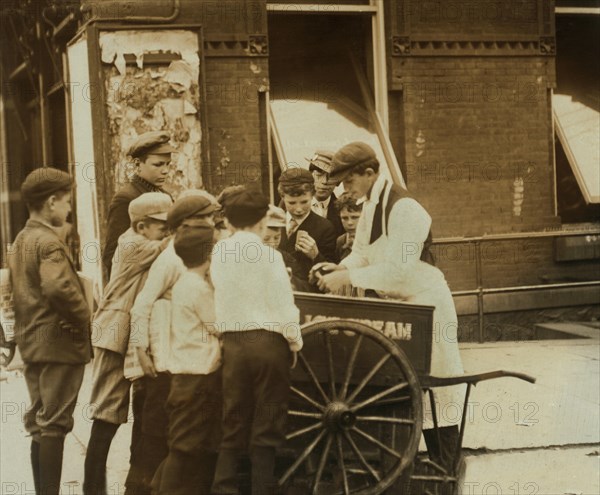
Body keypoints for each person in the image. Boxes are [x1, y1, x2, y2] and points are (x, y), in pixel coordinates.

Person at [314, 142, 464, 472]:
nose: (343, 188)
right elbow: (363, 253)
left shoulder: (406, 210)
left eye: (348, 180)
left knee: (438, 392)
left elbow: (400, 271)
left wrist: (349, 276)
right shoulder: (371, 204)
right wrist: (337, 268)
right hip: (400, 307)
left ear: (369, 172)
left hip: (427, 305)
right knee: (410, 389)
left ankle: (448, 471)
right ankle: (420, 468)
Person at [210, 187, 303, 495]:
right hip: (268, 344)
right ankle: (262, 487)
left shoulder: (220, 253)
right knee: (267, 419)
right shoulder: (270, 257)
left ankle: (224, 487)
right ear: (263, 221)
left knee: (233, 418)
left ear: (229, 223)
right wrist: (294, 342)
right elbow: (283, 303)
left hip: (234, 345)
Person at [126, 192, 219, 492]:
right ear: (183, 223)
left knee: (181, 437)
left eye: (210, 218)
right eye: (202, 219)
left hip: (186, 355)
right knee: (157, 433)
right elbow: (142, 303)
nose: (209, 224)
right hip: (167, 359)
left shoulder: (197, 251)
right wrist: (141, 350)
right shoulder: (172, 258)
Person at [8, 168, 92, 495]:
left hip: (32, 343)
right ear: (51, 202)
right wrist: (83, 317)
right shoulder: (48, 242)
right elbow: (58, 288)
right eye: (67, 202)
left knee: (40, 424)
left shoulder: (21, 239)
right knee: (54, 424)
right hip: (58, 345)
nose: (69, 210)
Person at [84, 192, 172, 495]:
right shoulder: (133, 244)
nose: (167, 230)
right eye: (162, 225)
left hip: (122, 333)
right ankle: (92, 489)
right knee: (106, 415)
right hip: (113, 334)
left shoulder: (143, 240)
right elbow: (170, 246)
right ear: (141, 225)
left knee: (132, 409)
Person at [153, 222, 222, 495]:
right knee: (185, 446)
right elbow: (218, 325)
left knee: (190, 444)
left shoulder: (187, 283)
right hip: (196, 377)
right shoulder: (198, 289)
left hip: (188, 374)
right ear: (209, 254)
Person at [102, 130, 176, 280]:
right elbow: (111, 255)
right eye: (158, 165)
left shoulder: (165, 196)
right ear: (138, 164)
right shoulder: (126, 198)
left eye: (168, 164)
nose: (165, 171)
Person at [278, 168, 338, 283]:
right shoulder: (274, 221)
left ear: (312, 196)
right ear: (282, 197)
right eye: (292, 203)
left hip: (306, 294)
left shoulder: (325, 228)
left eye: (304, 202)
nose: (299, 209)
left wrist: (316, 255)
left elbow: (331, 274)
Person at [263, 205, 312, 292]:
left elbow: (306, 287)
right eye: (266, 239)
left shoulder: (285, 258)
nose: (272, 244)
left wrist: (288, 277)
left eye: (277, 238)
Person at [307, 150, 345, 237]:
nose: (324, 181)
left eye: (331, 176)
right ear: (310, 175)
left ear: (338, 182)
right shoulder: (293, 202)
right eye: (319, 174)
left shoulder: (342, 210)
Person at [334, 192, 363, 261]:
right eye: (344, 218)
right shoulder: (341, 241)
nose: (350, 223)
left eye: (355, 217)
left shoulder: (375, 239)